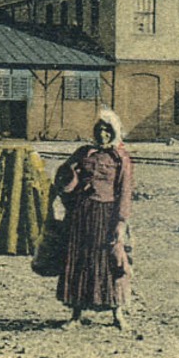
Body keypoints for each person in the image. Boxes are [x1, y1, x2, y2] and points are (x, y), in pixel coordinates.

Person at [55, 108, 134, 328]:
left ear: (113, 132)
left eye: (106, 130)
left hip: (107, 215)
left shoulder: (120, 158)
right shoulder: (84, 153)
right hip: (82, 214)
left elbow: (125, 192)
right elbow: (64, 177)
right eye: (99, 130)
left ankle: (117, 314)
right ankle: (75, 315)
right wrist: (72, 180)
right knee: (79, 262)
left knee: (111, 262)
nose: (102, 134)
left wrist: (120, 223)